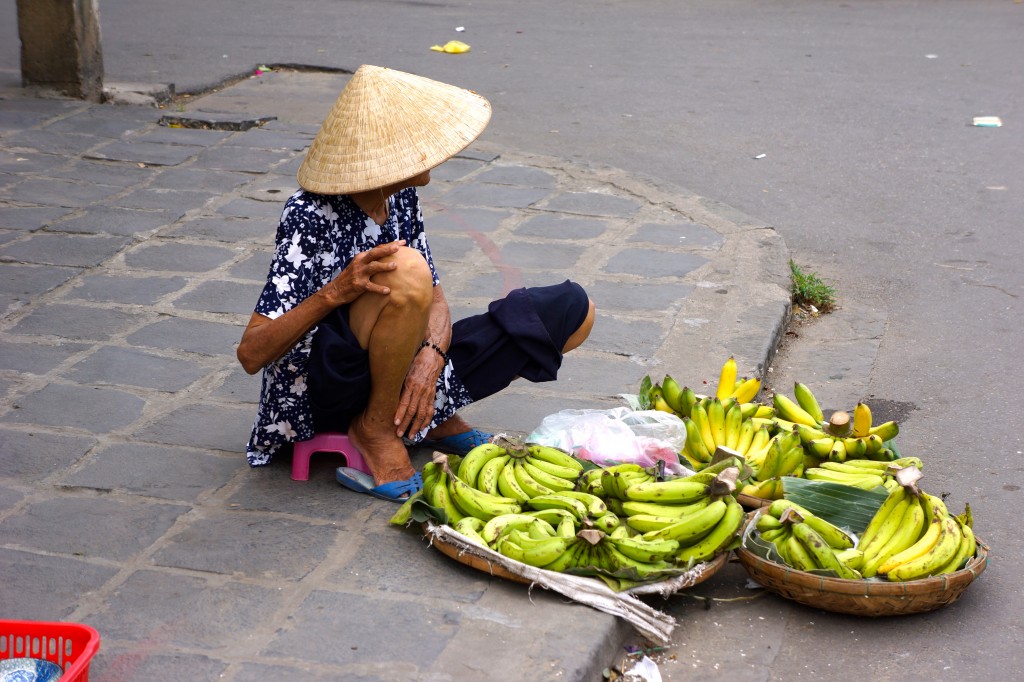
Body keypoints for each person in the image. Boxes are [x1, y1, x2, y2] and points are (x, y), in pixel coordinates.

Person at [237, 65, 595, 501]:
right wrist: (336, 292)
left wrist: (431, 358)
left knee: (571, 309)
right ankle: (375, 428)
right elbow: (252, 353)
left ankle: (426, 416)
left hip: (397, 361)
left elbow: (436, 299)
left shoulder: (399, 197)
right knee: (406, 269)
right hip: (323, 386)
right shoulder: (308, 214)